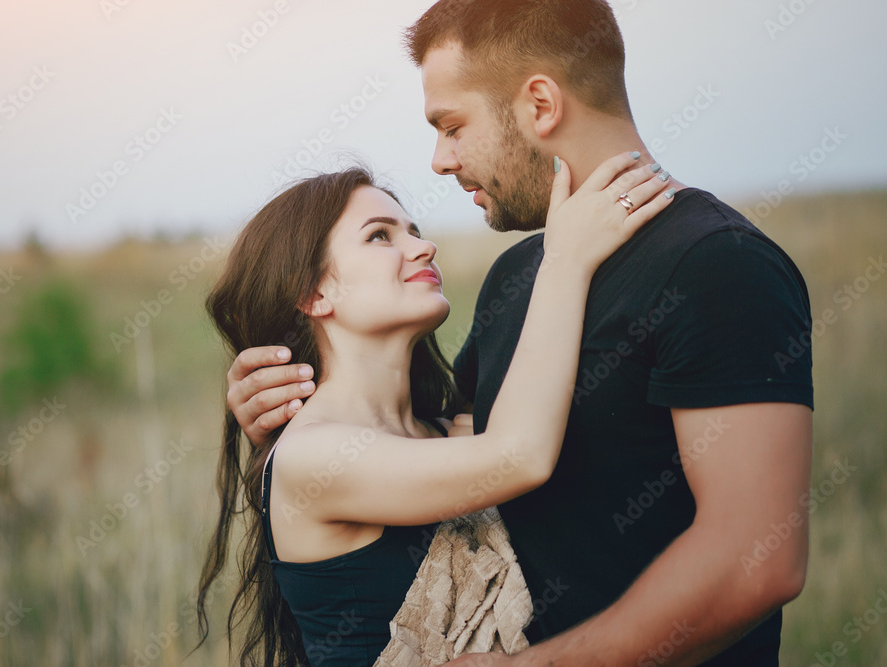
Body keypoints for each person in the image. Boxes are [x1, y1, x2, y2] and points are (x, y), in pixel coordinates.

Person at [226, 1, 815, 665]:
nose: (440, 161)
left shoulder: (718, 263)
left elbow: (757, 561)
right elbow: (445, 466)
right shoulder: (518, 277)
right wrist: (285, 403)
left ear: (539, 104)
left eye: (451, 126)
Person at [194, 154, 674, 666]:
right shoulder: (311, 457)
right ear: (313, 292)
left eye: (415, 231)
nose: (424, 247)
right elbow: (522, 454)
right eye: (381, 236)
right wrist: (566, 259)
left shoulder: (454, 431)